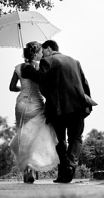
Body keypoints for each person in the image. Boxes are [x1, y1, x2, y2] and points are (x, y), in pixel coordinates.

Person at [39, 40, 94, 183]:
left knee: (60, 140)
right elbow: (84, 83)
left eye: (43, 51)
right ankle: (70, 167)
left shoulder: (47, 61)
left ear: (49, 49)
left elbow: (43, 87)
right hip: (78, 106)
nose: (41, 55)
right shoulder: (75, 61)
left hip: (58, 108)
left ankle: (63, 173)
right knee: (76, 138)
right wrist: (87, 105)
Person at [9, 41, 60, 184]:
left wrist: (23, 89)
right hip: (36, 103)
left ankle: (27, 171)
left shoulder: (18, 68)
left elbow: (12, 87)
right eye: (40, 52)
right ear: (36, 53)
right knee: (35, 137)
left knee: (23, 136)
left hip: (20, 104)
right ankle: (31, 166)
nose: (42, 54)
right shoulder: (40, 67)